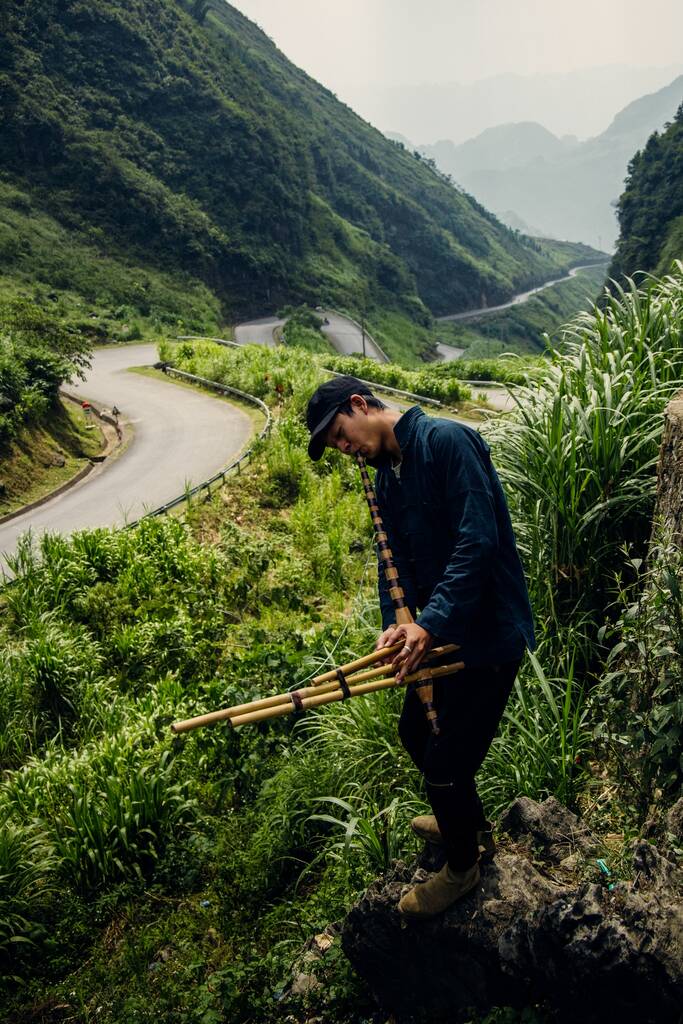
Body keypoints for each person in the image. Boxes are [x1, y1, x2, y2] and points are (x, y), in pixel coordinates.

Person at [306, 375, 534, 919]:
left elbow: (478, 542)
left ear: (360, 405)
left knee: (445, 762)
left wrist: (428, 625)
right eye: (338, 447)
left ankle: (462, 867)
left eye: (341, 435)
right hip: (440, 637)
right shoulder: (389, 481)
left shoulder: (446, 442)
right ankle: (467, 823)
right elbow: (398, 571)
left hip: (486, 638)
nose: (346, 449)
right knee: (414, 732)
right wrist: (398, 626)